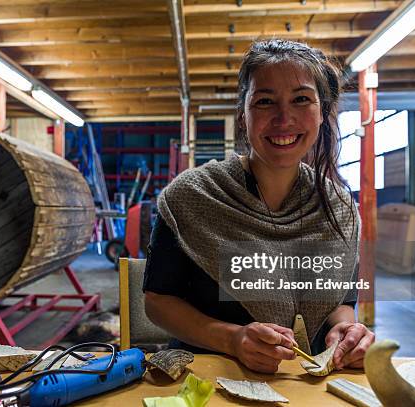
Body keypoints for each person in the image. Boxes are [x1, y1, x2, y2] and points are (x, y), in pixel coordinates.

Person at [143, 39, 375, 374]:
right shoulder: (192, 197)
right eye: (265, 101)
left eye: (301, 99)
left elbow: (341, 301)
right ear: (243, 116)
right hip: (207, 377)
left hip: (301, 381)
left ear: (322, 113)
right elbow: (158, 301)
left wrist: (345, 329)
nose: (284, 117)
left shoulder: (338, 206)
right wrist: (232, 338)